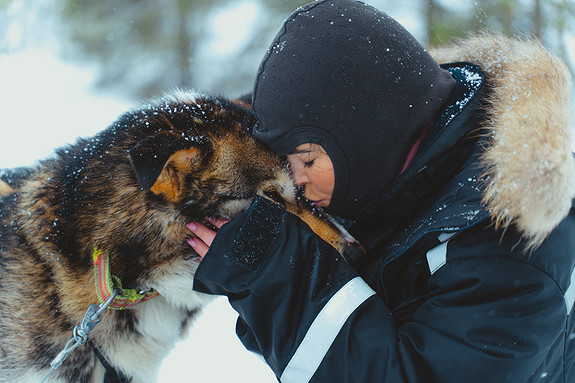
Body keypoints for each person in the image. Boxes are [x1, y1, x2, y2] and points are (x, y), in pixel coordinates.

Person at [187, 0, 575, 381]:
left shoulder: (509, 245)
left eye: (306, 159)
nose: (297, 183)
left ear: (367, 138)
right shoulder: (400, 182)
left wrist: (281, 277)